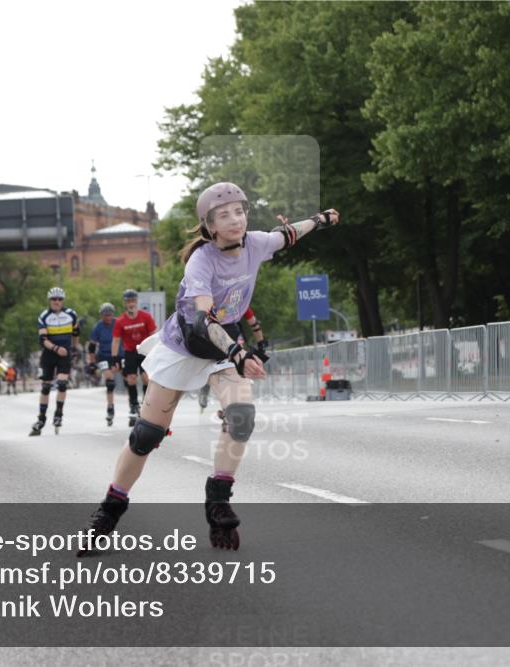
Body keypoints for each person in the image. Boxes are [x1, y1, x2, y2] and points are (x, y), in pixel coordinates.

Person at [79, 182, 339, 553]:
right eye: (224, 215)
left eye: (240, 211)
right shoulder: (201, 260)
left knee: (242, 418)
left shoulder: (256, 243)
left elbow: (289, 233)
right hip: (187, 344)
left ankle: (218, 500)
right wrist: (238, 353)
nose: (235, 220)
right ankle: (108, 511)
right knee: (147, 436)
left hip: (224, 344)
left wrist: (322, 219)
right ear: (209, 226)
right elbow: (202, 321)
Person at [198, 306, 270, 410]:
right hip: (216, 335)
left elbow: (254, 325)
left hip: (234, 336)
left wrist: (262, 346)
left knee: (240, 359)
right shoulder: (223, 303)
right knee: (209, 362)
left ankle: (238, 389)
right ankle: (205, 386)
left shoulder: (242, 302)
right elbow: (214, 320)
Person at [30, 287, 79, 436]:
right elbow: (42, 340)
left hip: (65, 354)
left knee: (62, 384)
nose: (56, 302)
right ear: (50, 301)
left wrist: (75, 349)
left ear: (62, 300)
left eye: (59, 299)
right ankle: (41, 418)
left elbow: (76, 333)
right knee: (45, 388)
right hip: (49, 354)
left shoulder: (71, 314)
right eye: (54, 299)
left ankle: (58, 415)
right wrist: (56, 348)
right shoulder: (44, 316)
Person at [111, 289, 158, 426]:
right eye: (128, 301)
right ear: (125, 304)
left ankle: (146, 404)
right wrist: (115, 358)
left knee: (146, 378)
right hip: (130, 352)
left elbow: (154, 334)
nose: (131, 304)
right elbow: (116, 340)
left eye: (133, 301)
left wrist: (155, 352)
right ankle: (133, 405)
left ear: (136, 302)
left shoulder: (146, 316)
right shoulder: (120, 321)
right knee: (131, 379)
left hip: (144, 351)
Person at [88, 302, 118, 426]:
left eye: (110, 315)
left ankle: (135, 405)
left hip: (117, 355)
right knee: (109, 381)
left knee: (130, 378)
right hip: (103, 356)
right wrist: (91, 363)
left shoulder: (118, 323)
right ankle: (110, 407)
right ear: (101, 315)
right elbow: (91, 347)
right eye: (105, 315)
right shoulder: (98, 327)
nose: (108, 318)